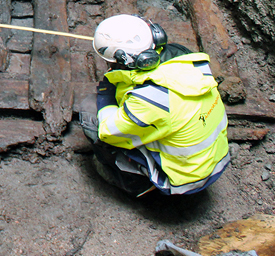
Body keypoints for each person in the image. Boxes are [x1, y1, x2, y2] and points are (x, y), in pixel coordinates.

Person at [82, 14, 230, 196]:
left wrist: (106, 92)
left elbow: (108, 132)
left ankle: (136, 184)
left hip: (185, 179)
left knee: (90, 114)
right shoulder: (186, 58)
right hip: (215, 158)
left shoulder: (150, 99)